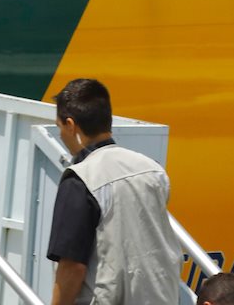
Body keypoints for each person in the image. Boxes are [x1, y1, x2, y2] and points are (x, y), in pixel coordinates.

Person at [46, 79, 179, 305]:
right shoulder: (152, 169)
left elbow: (73, 267)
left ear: (70, 125)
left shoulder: (81, 179)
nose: (61, 136)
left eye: (59, 128)